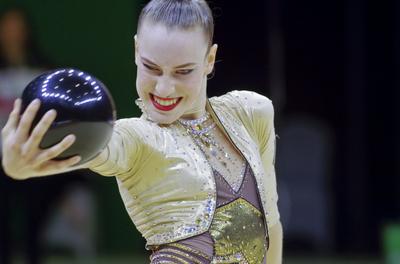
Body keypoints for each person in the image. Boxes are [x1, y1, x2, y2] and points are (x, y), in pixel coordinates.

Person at [1, 0, 283, 263]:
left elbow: (271, 225)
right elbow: (98, 148)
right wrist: (18, 165)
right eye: (151, 67)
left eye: (183, 72)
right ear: (137, 51)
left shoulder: (252, 112)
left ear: (210, 59)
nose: (163, 88)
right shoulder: (137, 139)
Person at [0, 6, 93, 264]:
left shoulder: (43, 69)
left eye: (17, 27)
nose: (12, 33)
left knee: (33, 224)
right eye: (7, 27)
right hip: (2, 159)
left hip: (35, 156)